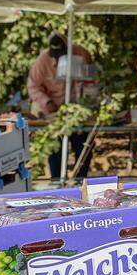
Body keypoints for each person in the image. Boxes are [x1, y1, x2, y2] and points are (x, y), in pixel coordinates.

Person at [27, 32, 94, 178]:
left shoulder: (82, 54)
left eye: (61, 54)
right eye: (55, 55)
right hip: (54, 113)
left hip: (78, 111)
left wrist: (87, 103)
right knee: (55, 150)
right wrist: (47, 102)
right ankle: (57, 181)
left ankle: (80, 180)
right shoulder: (42, 61)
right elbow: (33, 86)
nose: (58, 59)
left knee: (83, 147)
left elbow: (92, 80)